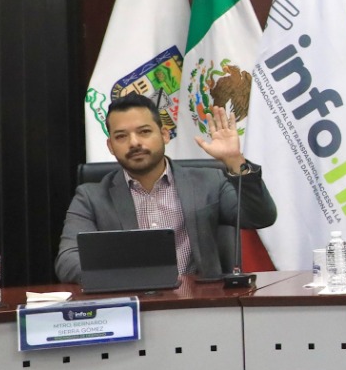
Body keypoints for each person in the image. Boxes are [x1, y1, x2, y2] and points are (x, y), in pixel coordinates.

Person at [55, 93, 277, 282]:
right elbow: (67, 261)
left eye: (144, 132)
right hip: (132, 305)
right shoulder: (91, 197)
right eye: (121, 136)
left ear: (164, 135)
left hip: (200, 305)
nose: (134, 143)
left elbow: (260, 217)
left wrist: (235, 161)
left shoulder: (208, 182)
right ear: (111, 146)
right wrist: (131, 279)